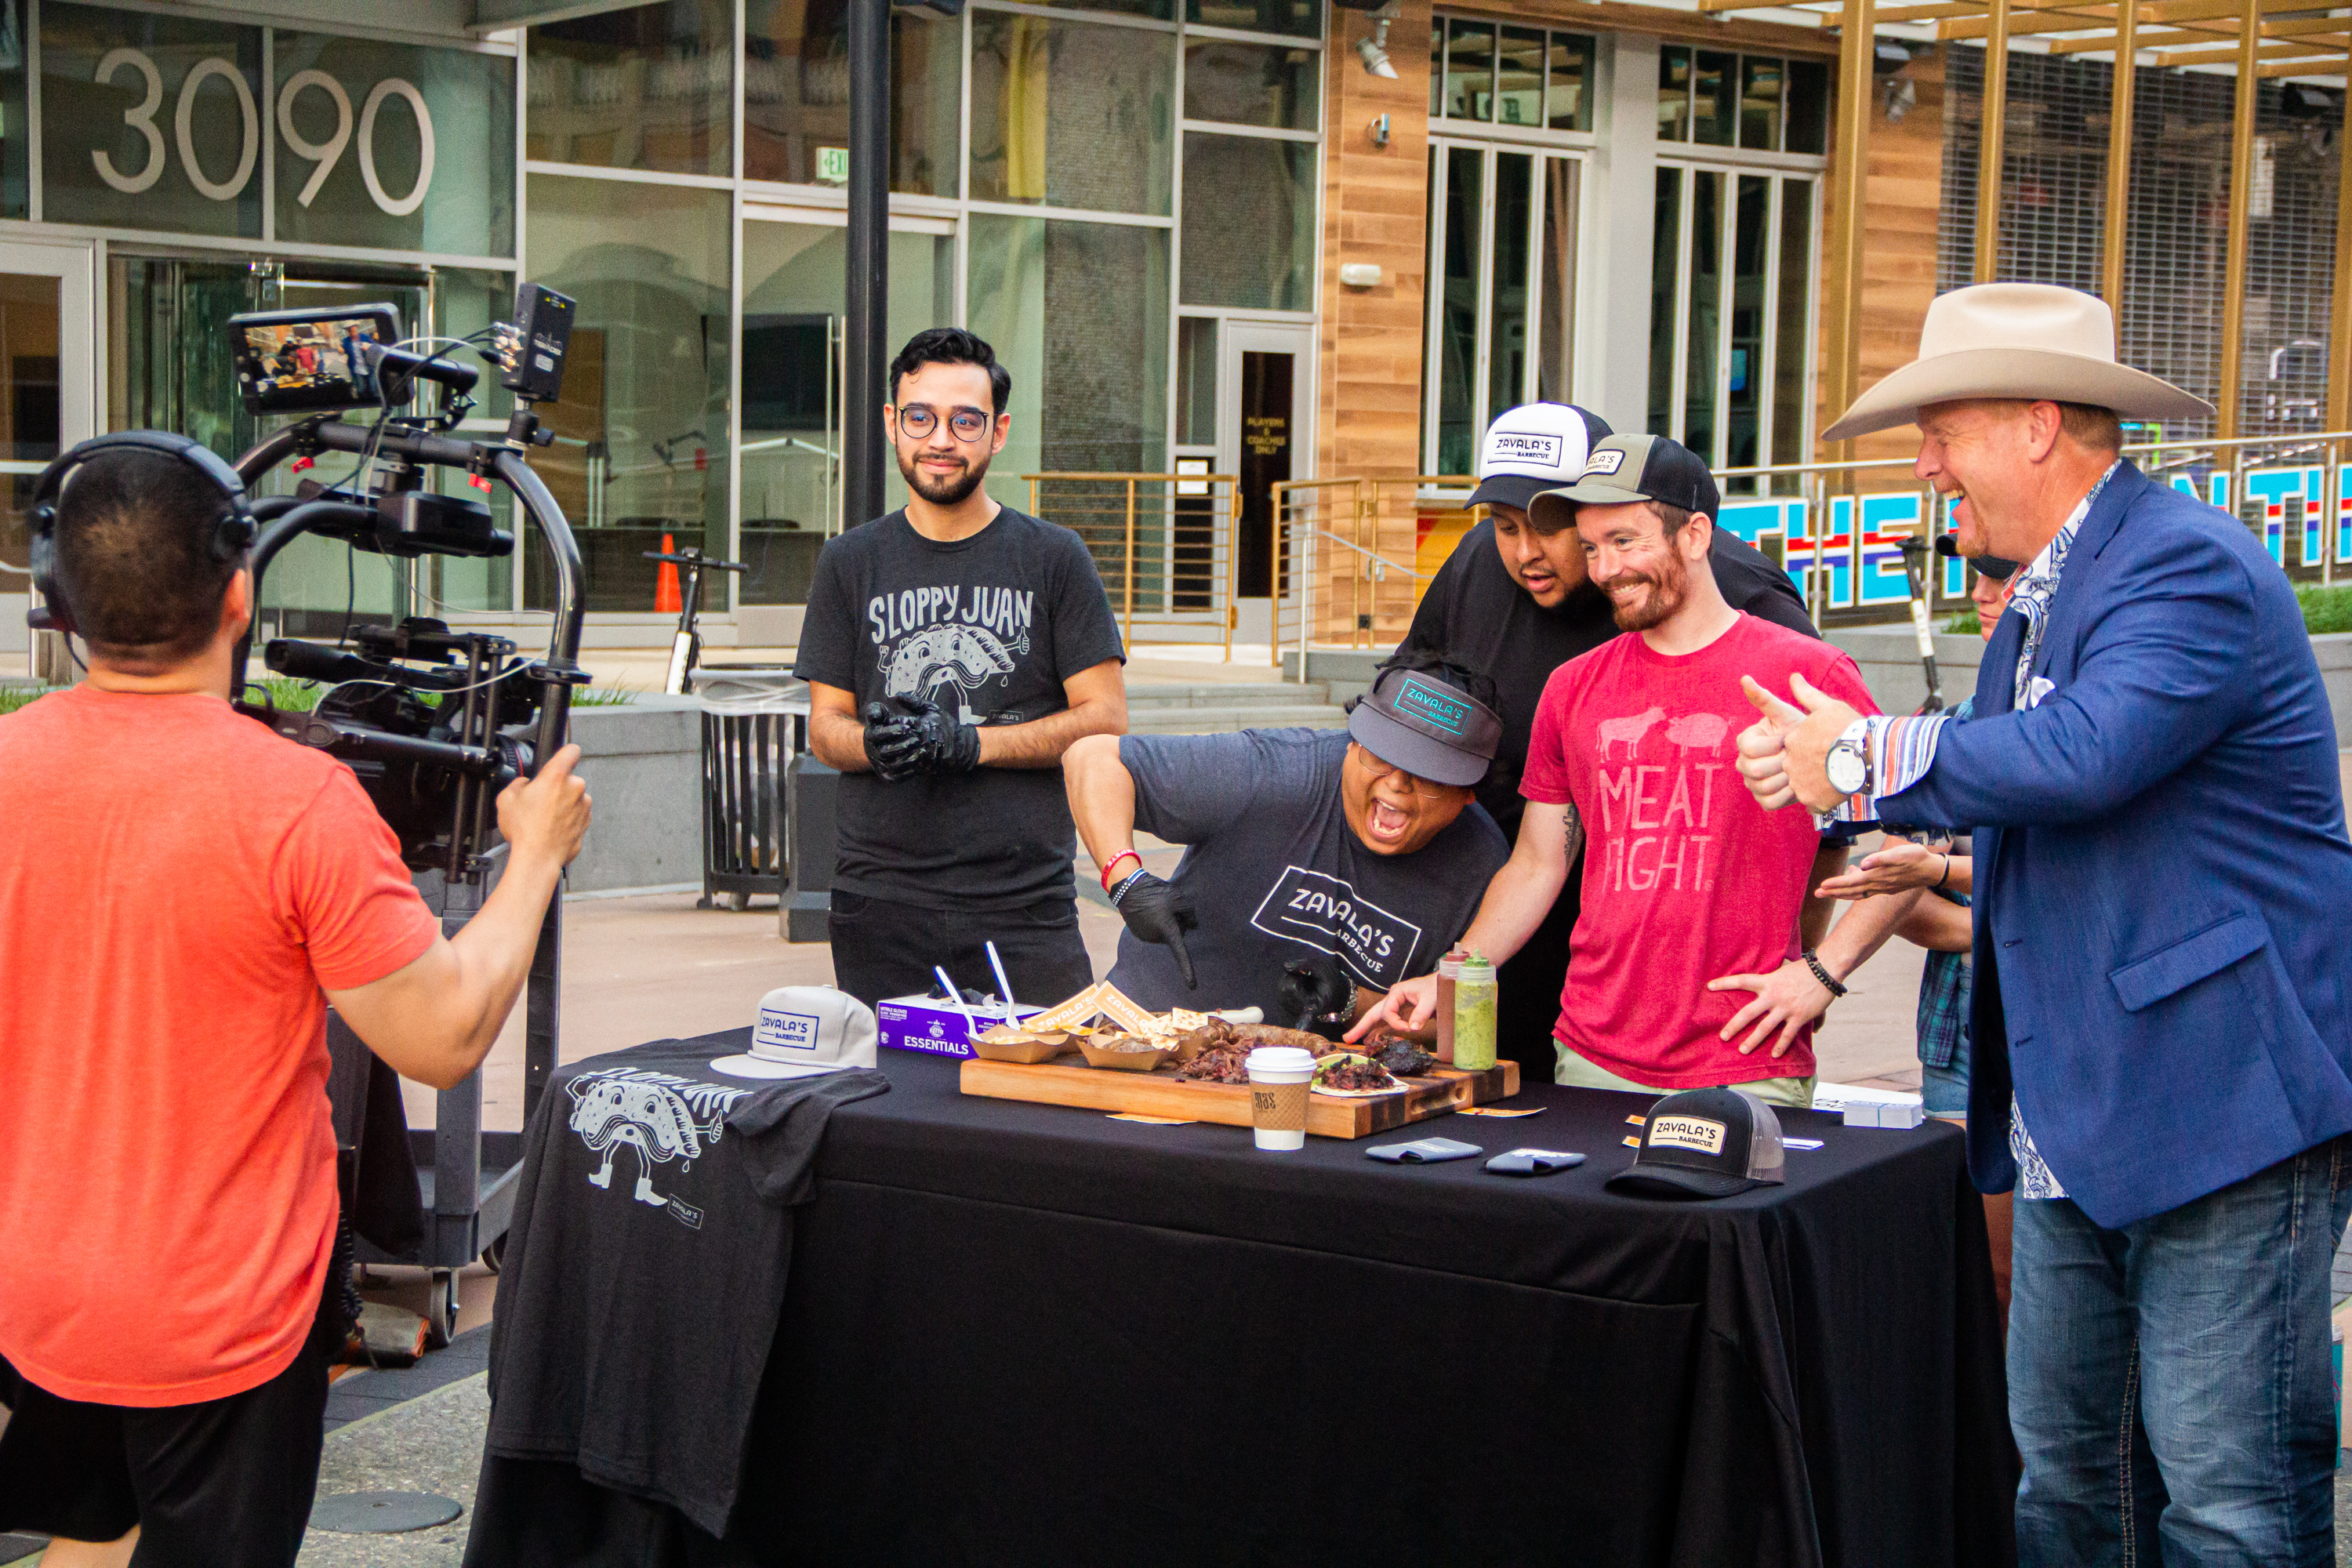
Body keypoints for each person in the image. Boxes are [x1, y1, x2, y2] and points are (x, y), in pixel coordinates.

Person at [1734, 282, 2352, 1566]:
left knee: (2229, 1508)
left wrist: (1855, 754)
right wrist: (1942, 850)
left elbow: (2083, 756)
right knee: (2065, 1493)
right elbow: (2067, 804)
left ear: (2032, 424)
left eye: (1940, 432)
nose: (1923, 465)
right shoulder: (2038, 591)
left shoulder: (2185, 558)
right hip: (2076, 1114)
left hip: (2219, 1108)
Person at [0, 440, 593, 1568]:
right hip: (220, 1322)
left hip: (36, 1295)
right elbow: (443, 1037)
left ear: (56, 602)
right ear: (240, 592)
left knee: (85, 1537)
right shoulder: (298, 802)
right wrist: (534, 860)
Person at [1354, 434, 1874, 1108]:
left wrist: (1822, 973)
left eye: (1625, 542)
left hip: (1743, 1057)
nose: (1604, 569)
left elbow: (1916, 838)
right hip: (1589, 1051)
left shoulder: (1807, 674)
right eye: (1593, 547)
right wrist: (1453, 973)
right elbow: (1539, 863)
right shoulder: (1573, 688)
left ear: (1695, 534)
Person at [797, 328, 1127, 1011]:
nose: (940, 439)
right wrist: (874, 744)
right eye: (921, 417)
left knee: (1042, 1105)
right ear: (893, 423)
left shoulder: (1055, 558)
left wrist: (973, 744)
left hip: (1021, 906)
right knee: (890, 1108)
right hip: (879, 905)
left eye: (964, 421)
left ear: (997, 432)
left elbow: (1105, 717)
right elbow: (825, 727)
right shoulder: (848, 562)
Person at [1063, 658, 1507, 1029]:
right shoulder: (1277, 772)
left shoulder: (1483, 869)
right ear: (1353, 742)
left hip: (1305, 1087)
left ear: (1468, 792)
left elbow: (1458, 1027)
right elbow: (1092, 758)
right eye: (1381, 753)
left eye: (1427, 773)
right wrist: (1126, 881)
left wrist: (1352, 1001)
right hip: (1140, 1036)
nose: (1396, 783)